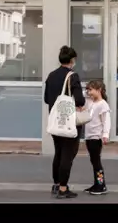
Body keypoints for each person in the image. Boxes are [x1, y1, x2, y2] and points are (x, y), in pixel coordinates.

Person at [44, 46, 86, 199]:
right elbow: (80, 100)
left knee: (59, 153)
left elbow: (46, 99)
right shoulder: (72, 76)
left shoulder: (51, 75)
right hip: (68, 122)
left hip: (55, 121)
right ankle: (63, 188)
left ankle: (56, 184)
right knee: (68, 154)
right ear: (72, 60)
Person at [83, 80, 111, 195]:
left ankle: (101, 185)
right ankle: (97, 183)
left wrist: (105, 134)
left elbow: (106, 121)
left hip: (96, 137)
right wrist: (88, 94)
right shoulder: (90, 102)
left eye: (91, 90)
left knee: (96, 162)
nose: (88, 92)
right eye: (88, 90)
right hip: (89, 136)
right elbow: (82, 96)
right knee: (94, 161)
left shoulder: (103, 104)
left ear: (99, 90)